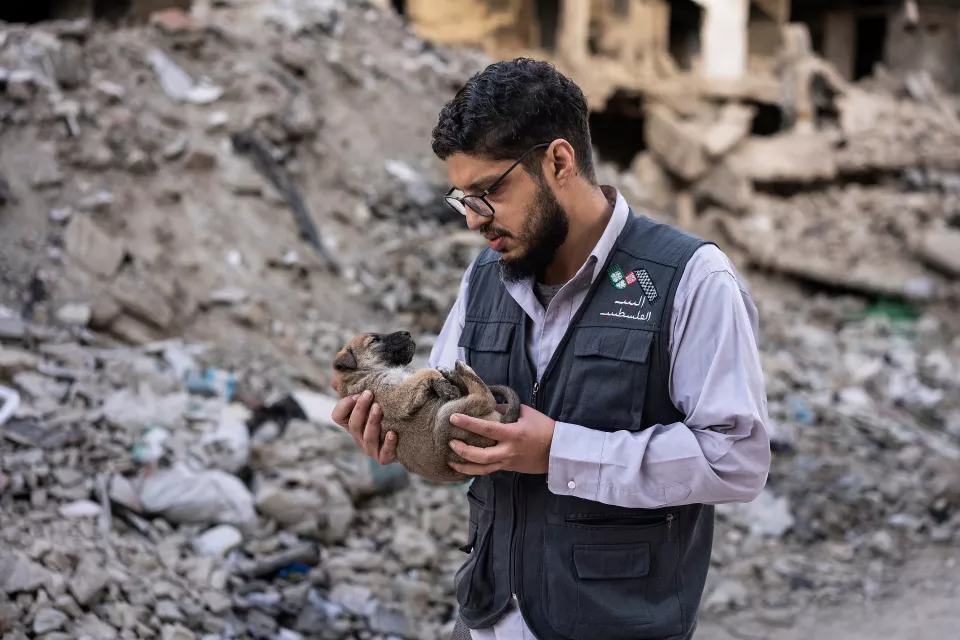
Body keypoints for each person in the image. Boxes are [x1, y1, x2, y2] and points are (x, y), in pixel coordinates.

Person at [331, 58, 771, 640]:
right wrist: (403, 436)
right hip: (487, 619)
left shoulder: (690, 278)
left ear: (559, 161)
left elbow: (735, 461)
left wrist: (558, 452)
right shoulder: (484, 278)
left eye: (488, 192)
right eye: (462, 198)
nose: (473, 221)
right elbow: (455, 427)